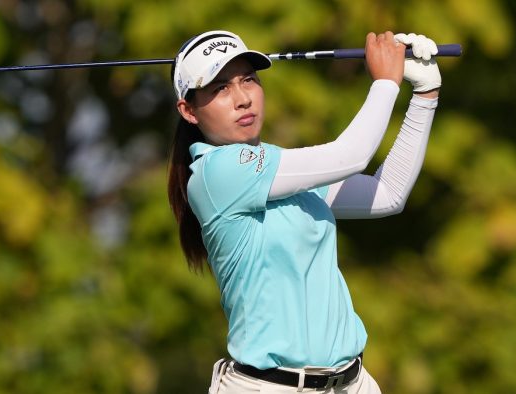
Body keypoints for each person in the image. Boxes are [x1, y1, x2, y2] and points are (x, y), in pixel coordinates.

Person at [167, 29, 441, 393]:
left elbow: (387, 194)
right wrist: (386, 83)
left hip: (353, 384)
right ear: (188, 111)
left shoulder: (280, 170)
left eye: (248, 80)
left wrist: (424, 95)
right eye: (219, 88)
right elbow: (351, 156)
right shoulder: (218, 173)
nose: (242, 99)